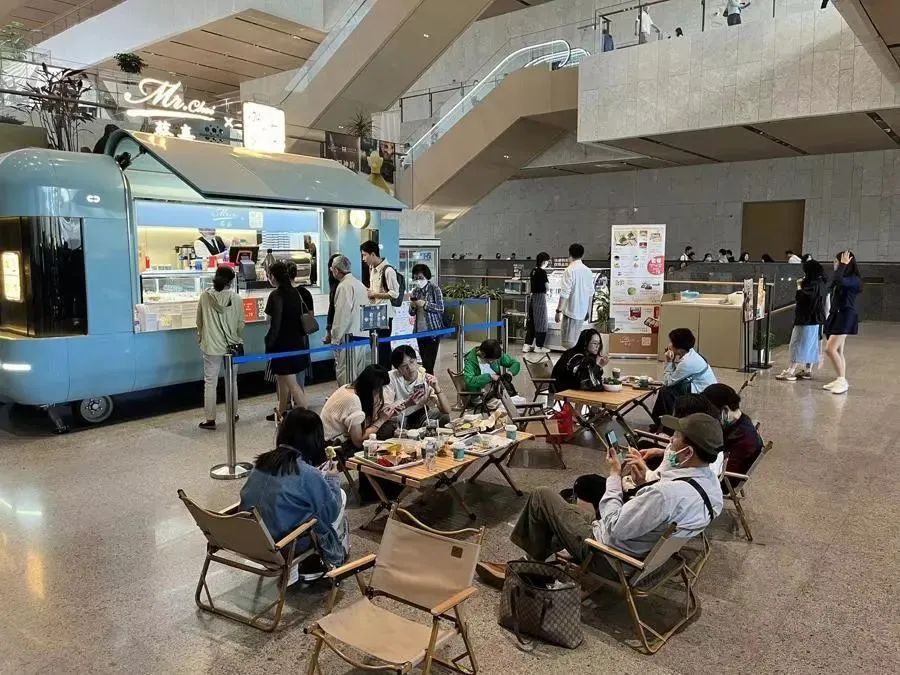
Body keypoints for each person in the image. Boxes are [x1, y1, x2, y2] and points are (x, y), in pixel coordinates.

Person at [478, 412, 723, 583]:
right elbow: (656, 510)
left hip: (610, 558)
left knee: (542, 496)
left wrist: (614, 475)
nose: (669, 441)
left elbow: (614, 526)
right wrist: (643, 484)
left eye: (675, 437)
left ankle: (524, 570)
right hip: (644, 556)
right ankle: (532, 563)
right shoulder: (711, 488)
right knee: (568, 510)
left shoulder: (665, 495)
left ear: (688, 452)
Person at [239, 409, 349, 582]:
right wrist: (332, 478)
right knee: (339, 497)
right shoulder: (308, 473)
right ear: (314, 439)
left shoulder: (261, 462)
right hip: (284, 546)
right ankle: (321, 559)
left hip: (250, 538)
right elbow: (330, 513)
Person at [196, 265, 245, 430]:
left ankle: (210, 419)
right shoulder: (236, 298)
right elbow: (241, 324)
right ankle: (233, 414)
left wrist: (202, 337)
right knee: (232, 381)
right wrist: (234, 336)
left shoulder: (205, 297)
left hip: (211, 345)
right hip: (232, 345)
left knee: (210, 382)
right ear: (231, 281)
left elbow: (199, 321)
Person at [265, 260, 311, 419]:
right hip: (297, 342)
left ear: (273, 276)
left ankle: (308, 418)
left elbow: (271, 322)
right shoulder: (295, 293)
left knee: (292, 385)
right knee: (282, 381)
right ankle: (281, 411)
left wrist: (269, 343)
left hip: (281, 345)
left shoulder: (275, 295)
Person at [321, 365, 397, 452]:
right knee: (386, 429)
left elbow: (364, 423)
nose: (381, 394)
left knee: (386, 427)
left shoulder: (348, 387)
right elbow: (358, 442)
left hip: (326, 439)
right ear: (373, 389)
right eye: (380, 389)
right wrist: (381, 420)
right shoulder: (353, 400)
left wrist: (382, 413)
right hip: (333, 446)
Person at [651, 328, 717, 424]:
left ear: (680, 349)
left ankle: (670, 423)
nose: (669, 345)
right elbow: (675, 376)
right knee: (667, 390)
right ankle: (660, 421)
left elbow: (667, 382)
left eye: (671, 343)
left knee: (666, 391)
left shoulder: (687, 362)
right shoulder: (691, 353)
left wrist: (668, 361)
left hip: (702, 397)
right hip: (701, 390)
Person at [777, 258, 827, 381]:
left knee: (797, 343)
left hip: (806, 319)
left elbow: (802, 298)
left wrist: (799, 285)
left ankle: (791, 371)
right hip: (816, 319)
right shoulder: (821, 283)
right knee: (811, 344)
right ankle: (808, 370)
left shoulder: (811, 285)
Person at [702, 383, 763, 478]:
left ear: (725, 411)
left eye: (711, 414)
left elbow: (725, 477)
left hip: (720, 480)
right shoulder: (741, 422)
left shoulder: (743, 440)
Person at [823, 251, 862, 395]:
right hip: (836, 315)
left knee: (830, 349)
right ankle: (840, 378)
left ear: (846, 263)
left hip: (845, 316)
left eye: (836, 262)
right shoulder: (843, 277)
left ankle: (842, 380)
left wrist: (842, 266)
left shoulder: (854, 279)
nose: (835, 265)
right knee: (838, 351)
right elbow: (832, 284)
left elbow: (840, 281)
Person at [387, 345, 452, 429]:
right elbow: (386, 412)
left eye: (412, 362)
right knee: (390, 424)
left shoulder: (424, 377)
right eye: (404, 366)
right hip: (399, 417)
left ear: (416, 360)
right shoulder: (391, 378)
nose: (410, 368)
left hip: (419, 415)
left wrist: (437, 388)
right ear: (397, 369)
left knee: (444, 416)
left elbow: (447, 410)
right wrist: (407, 403)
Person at [330, 255, 370, 386]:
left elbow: (341, 316)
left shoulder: (344, 286)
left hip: (349, 339)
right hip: (362, 336)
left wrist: (335, 340)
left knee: (346, 377)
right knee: (360, 376)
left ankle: (348, 399)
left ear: (336, 270)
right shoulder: (359, 284)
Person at [360, 240, 400, 369]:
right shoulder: (372, 269)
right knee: (374, 345)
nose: (363, 259)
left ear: (373, 254)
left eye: (365, 255)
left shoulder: (388, 270)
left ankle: (385, 373)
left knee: (383, 348)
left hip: (385, 315)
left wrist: (375, 294)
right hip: (374, 313)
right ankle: (377, 372)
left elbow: (395, 293)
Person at [555, 243, 594, 348]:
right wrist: (588, 311)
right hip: (582, 312)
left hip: (571, 312)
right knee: (576, 342)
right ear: (583, 255)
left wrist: (558, 311)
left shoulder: (569, 270)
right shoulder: (588, 271)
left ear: (570, 254)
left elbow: (565, 293)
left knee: (568, 343)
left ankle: (570, 358)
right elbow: (590, 293)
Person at [408, 263, 444, 374]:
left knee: (429, 363)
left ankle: (429, 383)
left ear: (426, 276)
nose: (418, 280)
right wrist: (413, 306)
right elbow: (411, 313)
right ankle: (426, 382)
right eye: (415, 278)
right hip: (419, 330)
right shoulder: (415, 291)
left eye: (420, 277)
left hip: (433, 331)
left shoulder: (434, 289)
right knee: (424, 362)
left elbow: (441, 308)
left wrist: (425, 304)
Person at [523, 252, 551, 353]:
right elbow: (547, 287)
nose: (548, 263)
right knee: (541, 322)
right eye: (547, 261)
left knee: (532, 323)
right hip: (540, 298)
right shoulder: (542, 272)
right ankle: (539, 346)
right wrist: (549, 293)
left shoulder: (533, 271)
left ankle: (527, 345)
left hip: (533, 298)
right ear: (544, 261)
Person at [322, 252, 342, 347]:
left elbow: (332, 309)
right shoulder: (338, 285)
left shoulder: (338, 286)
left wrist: (329, 331)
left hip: (339, 327)